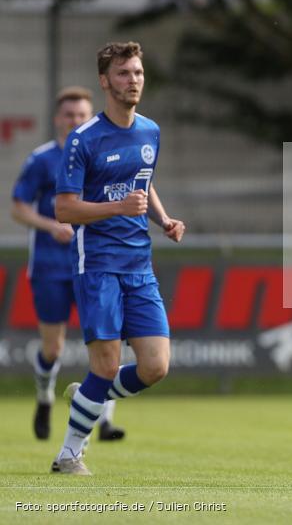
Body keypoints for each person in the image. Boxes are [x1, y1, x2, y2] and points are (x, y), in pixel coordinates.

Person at [50, 41, 185, 475]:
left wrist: (163, 219)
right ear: (105, 81)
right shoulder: (83, 139)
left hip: (139, 266)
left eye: (139, 73)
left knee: (155, 366)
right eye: (124, 73)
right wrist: (118, 208)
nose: (134, 81)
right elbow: (64, 209)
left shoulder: (150, 130)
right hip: (98, 265)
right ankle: (69, 454)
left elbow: (143, 181)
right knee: (106, 366)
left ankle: (89, 395)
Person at [11, 86, 126, 442]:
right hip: (50, 266)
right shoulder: (43, 159)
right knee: (54, 347)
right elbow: (19, 207)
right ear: (58, 119)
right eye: (69, 115)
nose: (75, 120)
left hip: (94, 262)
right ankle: (45, 397)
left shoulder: (103, 155)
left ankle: (104, 420)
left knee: (107, 341)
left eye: (82, 115)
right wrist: (50, 225)